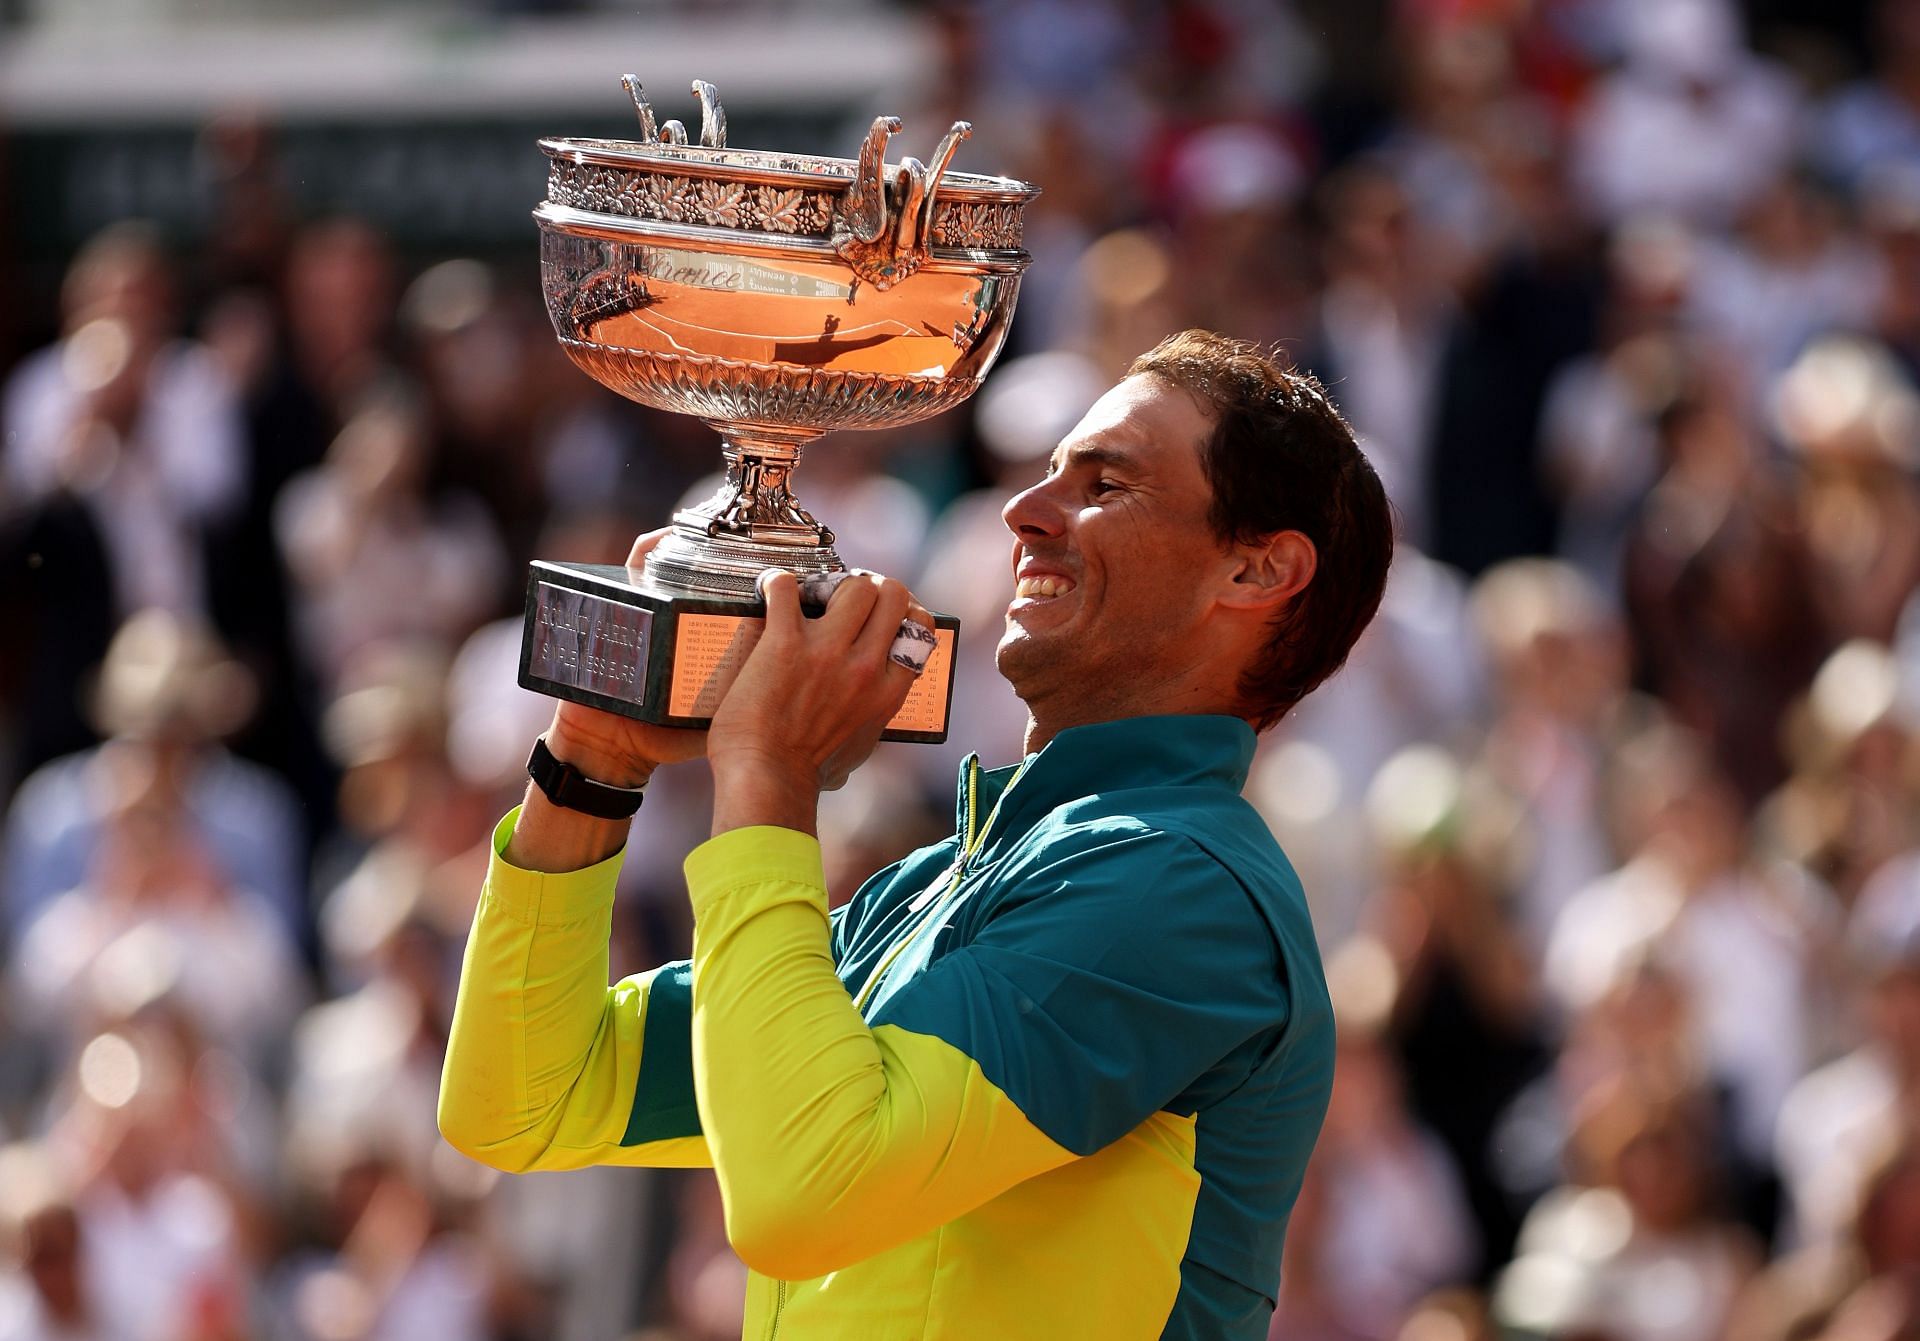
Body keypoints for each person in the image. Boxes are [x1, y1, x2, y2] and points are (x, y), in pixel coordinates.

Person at [437, 330, 1394, 1339]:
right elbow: (520, 1102)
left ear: (1256, 573)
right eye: (1045, 473)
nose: (1025, 512)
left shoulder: (1180, 884)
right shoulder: (931, 889)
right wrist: (590, 765)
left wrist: (769, 773)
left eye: (1104, 484)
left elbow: (805, 1195)